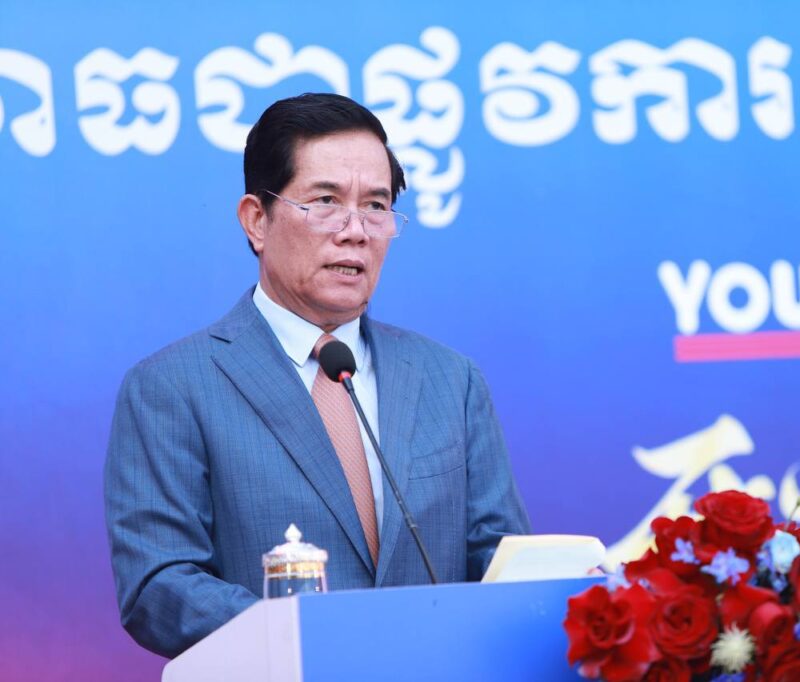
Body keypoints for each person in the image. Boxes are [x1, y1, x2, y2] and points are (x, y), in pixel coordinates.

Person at [104, 93, 530, 659]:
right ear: (257, 220)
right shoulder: (172, 388)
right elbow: (160, 584)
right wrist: (320, 640)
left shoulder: (451, 380)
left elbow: (499, 557)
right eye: (326, 201)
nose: (356, 231)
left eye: (376, 206)